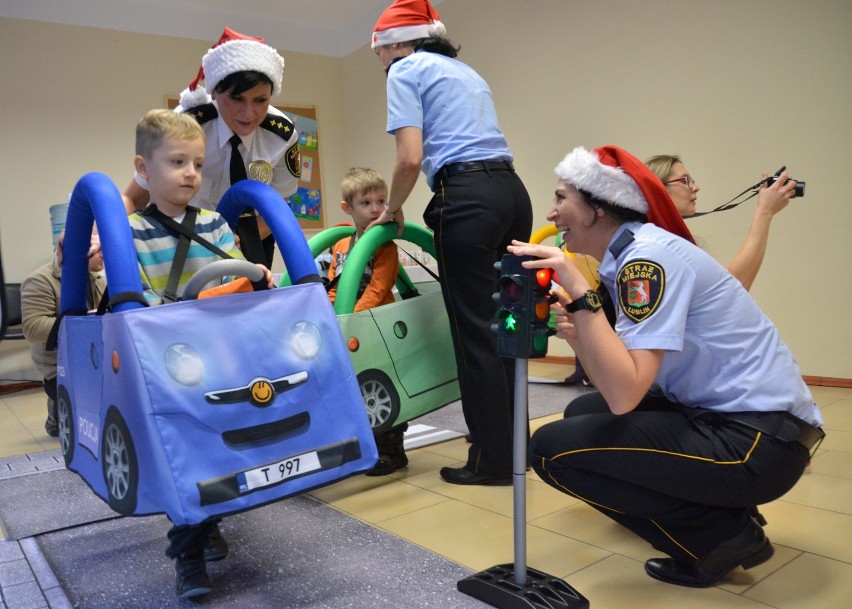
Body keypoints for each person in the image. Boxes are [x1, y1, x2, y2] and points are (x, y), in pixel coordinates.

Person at [509, 145, 822, 588]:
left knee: (552, 450)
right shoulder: (629, 256)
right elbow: (619, 386)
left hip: (760, 445)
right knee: (583, 414)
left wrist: (581, 294)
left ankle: (720, 538)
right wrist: (582, 328)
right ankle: (720, 511)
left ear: (597, 209)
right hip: (748, 425)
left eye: (561, 198)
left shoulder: (646, 260)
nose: (551, 211)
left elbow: (626, 393)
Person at [369, 0, 533, 486]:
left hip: (465, 198)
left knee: (475, 332)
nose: (381, 60)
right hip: (511, 192)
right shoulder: (464, 71)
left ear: (395, 43)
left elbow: (408, 158)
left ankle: (491, 460)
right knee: (508, 324)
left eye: (379, 51)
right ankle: (514, 445)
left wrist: (392, 208)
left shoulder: (404, 69)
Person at [129, 109, 273, 598]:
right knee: (183, 452)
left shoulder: (213, 224)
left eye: (196, 162)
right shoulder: (129, 231)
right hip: (167, 363)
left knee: (222, 444)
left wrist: (258, 278)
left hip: (220, 357)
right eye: (176, 162)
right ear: (144, 169)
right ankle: (187, 554)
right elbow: (132, 300)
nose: (190, 173)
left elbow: (235, 276)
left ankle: (205, 521)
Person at [124, 27, 301, 269]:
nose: (249, 113)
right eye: (237, 99)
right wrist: (101, 235)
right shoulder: (187, 125)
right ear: (214, 92)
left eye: (261, 100)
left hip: (252, 237)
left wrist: (234, 242)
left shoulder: (282, 134)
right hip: (189, 237)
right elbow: (133, 197)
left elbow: (280, 203)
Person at [328, 167, 406, 475]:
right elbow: (335, 283)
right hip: (350, 323)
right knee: (356, 387)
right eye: (366, 202)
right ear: (348, 208)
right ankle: (364, 446)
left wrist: (353, 316)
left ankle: (393, 449)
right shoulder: (341, 245)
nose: (375, 208)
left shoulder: (384, 245)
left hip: (377, 324)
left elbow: (379, 288)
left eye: (381, 201)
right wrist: (332, 314)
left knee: (382, 385)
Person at [645, 154, 794, 290]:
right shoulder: (661, 245)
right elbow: (734, 287)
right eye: (685, 181)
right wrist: (764, 212)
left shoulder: (664, 239)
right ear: (658, 188)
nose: (696, 188)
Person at [20, 235, 105, 436]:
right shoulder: (40, 281)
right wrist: (84, 320)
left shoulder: (96, 279)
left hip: (93, 359)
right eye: (98, 251)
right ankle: (56, 412)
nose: (104, 255)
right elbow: (32, 328)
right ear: (80, 253)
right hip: (58, 368)